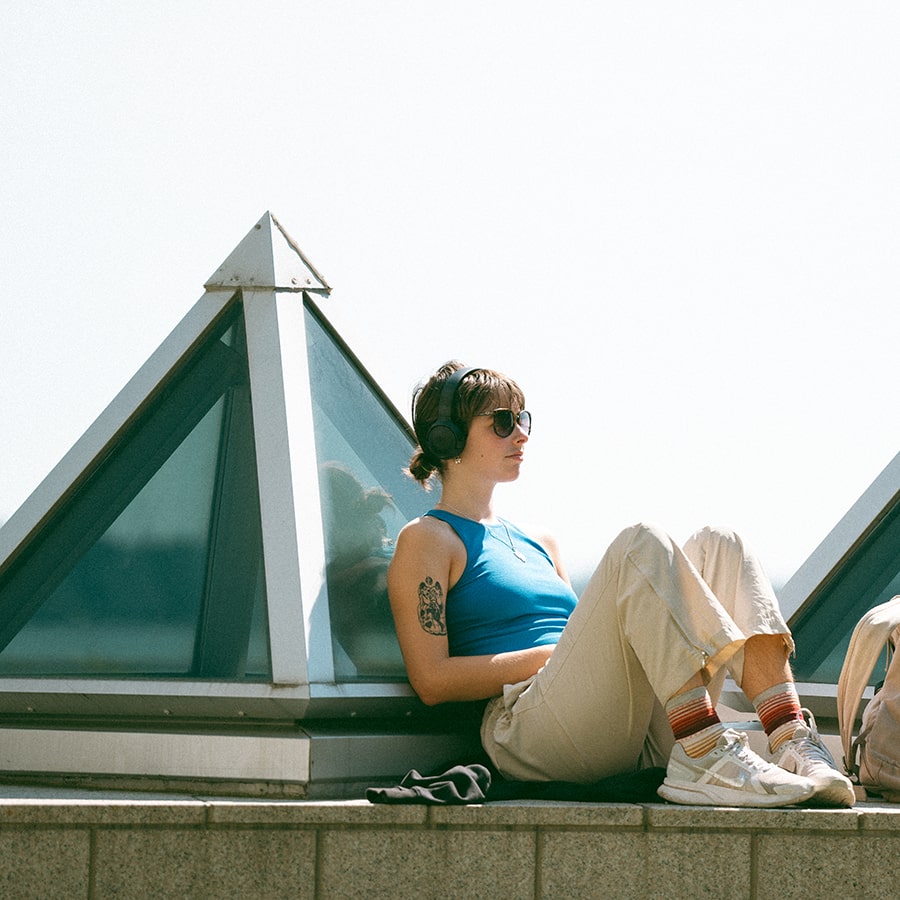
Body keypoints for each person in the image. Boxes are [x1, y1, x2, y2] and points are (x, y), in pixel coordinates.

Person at [386, 361, 855, 808]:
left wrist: (570, 654)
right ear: (447, 437)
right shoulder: (429, 538)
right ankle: (706, 752)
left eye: (523, 417)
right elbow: (432, 680)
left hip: (614, 729)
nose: (522, 433)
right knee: (640, 541)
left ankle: (792, 739)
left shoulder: (540, 541)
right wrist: (553, 656)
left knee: (720, 542)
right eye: (503, 421)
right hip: (525, 730)